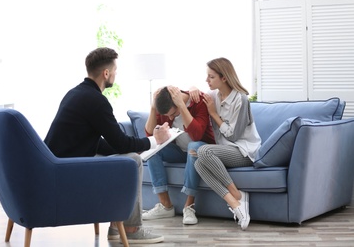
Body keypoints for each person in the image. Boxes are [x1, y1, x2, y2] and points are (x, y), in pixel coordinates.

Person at [44, 47, 171, 244]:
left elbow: (100, 144)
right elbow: (120, 142)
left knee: (128, 156)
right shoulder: (96, 101)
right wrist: (155, 141)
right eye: (115, 71)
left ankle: (115, 227)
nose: (115, 75)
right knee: (133, 162)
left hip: (59, 165)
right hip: (67, 172)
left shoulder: (76, 93)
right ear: (106, 73)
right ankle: (131, 228)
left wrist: (133, 146)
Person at [189, 57, 261, 231]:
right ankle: (236, 201)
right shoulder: (212, 96)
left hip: (244, 151)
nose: (207, 80)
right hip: (225, 150)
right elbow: (189, 97)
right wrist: (192, 89)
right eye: (207, 76)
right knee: (198, 163)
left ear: (224, 78)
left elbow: (235, 136)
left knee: (204, 152)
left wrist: (214, 114)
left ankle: (237, 196)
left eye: (211, 77)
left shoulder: (241, 99)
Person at [143, 85, 215, 225]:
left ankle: (189, 207)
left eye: (173, 114)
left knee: (193, 146)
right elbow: (150, 134)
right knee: (152, 149)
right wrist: (153, 108)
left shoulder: (199, 101)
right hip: (179, 152)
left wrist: (182, 107)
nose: (169, 118)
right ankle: (166, 206)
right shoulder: (166, 104)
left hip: (201, 149)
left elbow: (196, 135)